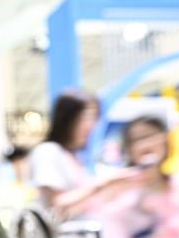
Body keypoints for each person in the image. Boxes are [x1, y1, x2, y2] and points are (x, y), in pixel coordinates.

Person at [29, 89, 141, 219]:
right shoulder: (48, 151)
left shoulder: (72, 156)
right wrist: (106, 183)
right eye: (86, 117)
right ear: (67, 117)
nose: (91, 125)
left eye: (95, 118)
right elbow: (57, 205)